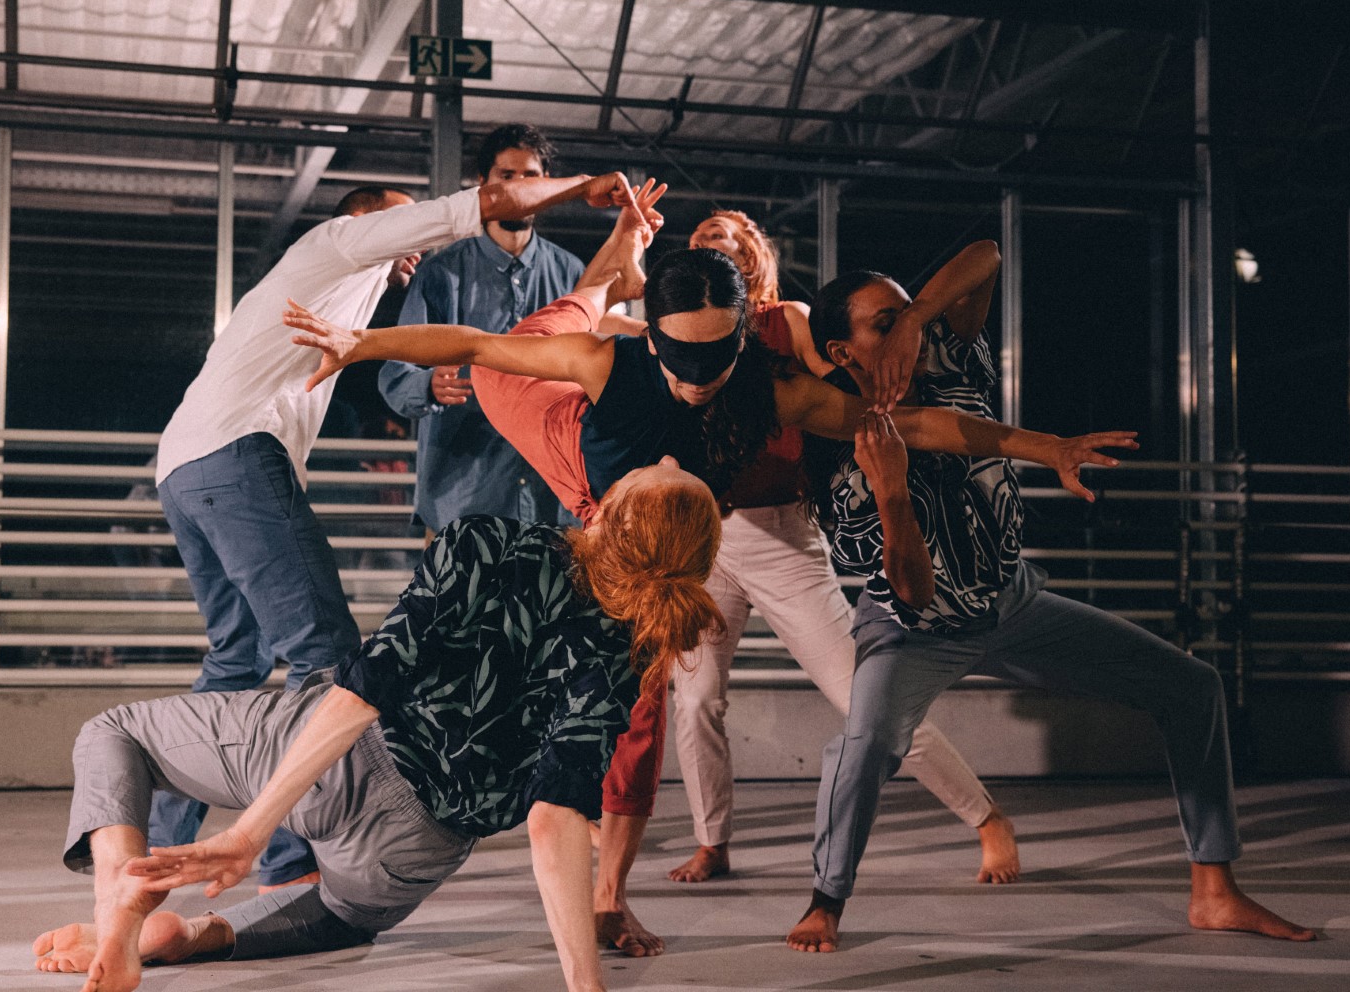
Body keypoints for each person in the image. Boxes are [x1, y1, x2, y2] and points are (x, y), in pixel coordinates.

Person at [284, 186, 1138, 954]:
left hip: (705, 530)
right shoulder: (607, 359)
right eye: (678, 359)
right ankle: (609, 269)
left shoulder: (774, 376)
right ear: (652, 334)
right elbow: (473, 340)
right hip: (604, 491)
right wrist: (360, 343)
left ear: (741, 327)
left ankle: (620, 893)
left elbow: (913, 426)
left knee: (693, 703)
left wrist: (1045, 447)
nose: (696, 382)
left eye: (714, 360)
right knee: (538, 341)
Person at [30, 458, 724, 992]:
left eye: (662, 471)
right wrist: (584, 986)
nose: (668, 458)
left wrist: (249, 831)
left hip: (341, 758)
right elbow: (555, 816)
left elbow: (367, 688)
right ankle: (191, 937)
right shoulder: (627, 655)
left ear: (601, 511)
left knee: (115, 732)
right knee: (340, 918)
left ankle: (119, 910)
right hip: (414, 851)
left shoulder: (488, 540)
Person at [785, 266, 1315, 952]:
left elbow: (985, 255)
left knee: (1192, 686)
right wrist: (890, 492)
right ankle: (825, 900)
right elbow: (912, 592)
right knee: (863, 746)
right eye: (884, 325)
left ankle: (1214, 893)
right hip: (915, 631)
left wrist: (915, 321)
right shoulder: (840, 461)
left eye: (910, 314)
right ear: (841, 353)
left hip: (1013, 605)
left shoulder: (947, 360)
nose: (909, 333)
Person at [149, 171, 644, 890]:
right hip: (236, 457)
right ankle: (290, 862)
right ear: (366, 218)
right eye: (401, 225)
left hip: (183, 466)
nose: (415, 246)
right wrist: (581, 188)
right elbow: (484, 205)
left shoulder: (332, 288)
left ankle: (161, 847)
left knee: (236, 658)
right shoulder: (341, 240)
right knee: (324, 657)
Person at [665, 216, 1018, 888]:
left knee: (861, 694)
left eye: (726, 234)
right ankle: (712, 841)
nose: (710, 240)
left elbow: (852, 381)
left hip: (781, 533)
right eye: (702, 235)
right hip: (705, 535)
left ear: (754, 257)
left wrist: (904, 351)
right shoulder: (682, 332)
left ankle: (985, 817)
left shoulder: (787, 320)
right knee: (696, 698)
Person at [379, 124, 586, 533]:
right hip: (461, 502)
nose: (520, 187)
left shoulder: (572, 273)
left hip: (555, 503)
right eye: (506, 176)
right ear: (483, 184)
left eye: (531, 176)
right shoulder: (441, 273)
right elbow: (396, 376)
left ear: (548, 185)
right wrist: (428, 385)